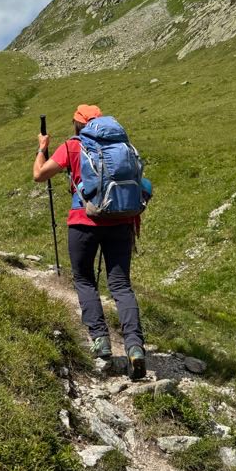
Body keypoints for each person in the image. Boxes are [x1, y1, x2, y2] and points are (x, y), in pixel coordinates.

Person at [33, 103, 147, 379]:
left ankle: (101, 342)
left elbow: (39, 175)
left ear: (77, 124)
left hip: (84, 222)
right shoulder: (123, 146)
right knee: (120, 285)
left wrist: (42, 148)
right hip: (121, 221)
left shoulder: (73, 145)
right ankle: (135, 347)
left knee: (84, 280)